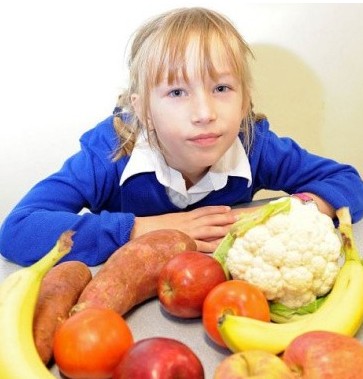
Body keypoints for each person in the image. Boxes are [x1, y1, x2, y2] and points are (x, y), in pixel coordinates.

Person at [1, 7, 363, 266]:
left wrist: (281, 216)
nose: (205, 113)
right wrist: (144, 228)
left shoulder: (255, 145)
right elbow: (18, 229)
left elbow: (347, 182)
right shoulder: (109, 153)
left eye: (221, 87)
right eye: (177, 93)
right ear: (142, 109)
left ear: (245, 101)